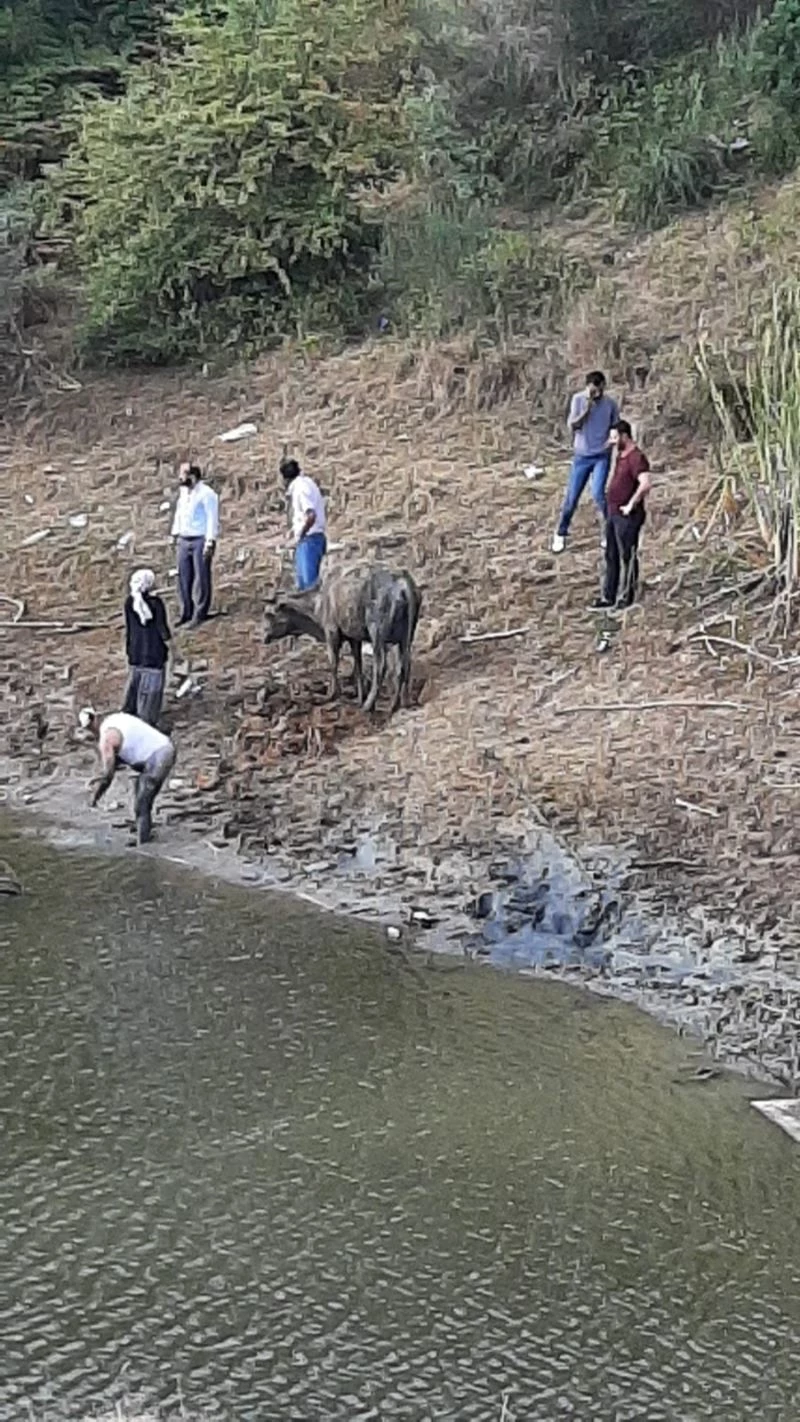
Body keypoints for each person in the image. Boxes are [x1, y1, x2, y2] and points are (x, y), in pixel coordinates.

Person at [79, 706, 176, 845]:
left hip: (157, 758)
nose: (91, 731)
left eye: (90, 728)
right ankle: (142, 828)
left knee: (142, 802)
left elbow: (108, 775)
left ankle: (143, 844)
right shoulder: (116, 718)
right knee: (141, 790)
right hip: (166, 747)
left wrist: (95, 797)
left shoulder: (106, 738)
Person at [552, 371, 619, 554]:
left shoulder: (610, 404)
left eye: (598, 390)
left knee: (598, 494)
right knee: (572, 498)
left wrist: (613, 438)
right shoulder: (578, 400)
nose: (595, 394)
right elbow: (573, 425)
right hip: (582, 456)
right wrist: (586, 410)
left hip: (601, 455)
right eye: (592, 390)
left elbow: (615, 425)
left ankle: (609, 532)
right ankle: (561, 532)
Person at [593, 419, 651, 610]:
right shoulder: (621, 455)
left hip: (626, 515)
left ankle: (628, 595)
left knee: (628, 555)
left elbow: (645, 484)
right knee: (611, 554)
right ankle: (608, 595)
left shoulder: (636, 458)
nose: (611, 441)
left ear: (625, 436)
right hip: (612, 512)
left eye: (614, 437)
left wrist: (630, 504)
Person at [170, 462, 220, 626]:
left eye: (183, 474)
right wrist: (175, 533)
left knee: (201, 577)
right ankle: (186, 611)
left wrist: (210, 541)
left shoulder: (207, 494)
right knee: (184, 577)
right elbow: (179, 513)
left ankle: (200, 612)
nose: (180, 477)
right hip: (185, 539)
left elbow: (212, 518)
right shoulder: (184, 492)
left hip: (200, 539)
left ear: (192, 476)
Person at [122, 569, 171, 727]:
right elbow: (162, 629)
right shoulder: (156, 604)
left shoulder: (130, 602)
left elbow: (129, 629)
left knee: (134, 688)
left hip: (136, 652)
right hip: (154, 654)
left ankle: (130, 714)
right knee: (150, 695)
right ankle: (146, 721)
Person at [280, 457, 327, 590]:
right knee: (304, 587)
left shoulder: (300, 488)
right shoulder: (307, 483)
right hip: (311, 539)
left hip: (309, 540)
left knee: (309, 588)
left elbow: (311, 515)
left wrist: (301, 533)